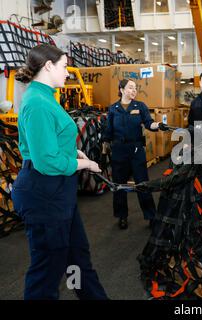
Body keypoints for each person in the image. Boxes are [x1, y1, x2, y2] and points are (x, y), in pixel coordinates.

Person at [11, 43, 108, 300]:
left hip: (58, 191)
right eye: (65, 67)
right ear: (49, 66)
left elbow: (50, 141)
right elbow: (45, 161)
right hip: (43, 192)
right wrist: (85, 164)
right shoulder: (38, 102)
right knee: (47, 271)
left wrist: (74, 153)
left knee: (77, 257)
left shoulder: (45, 96)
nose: (68, 73)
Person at [102, 79, 169, 230]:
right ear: (122, 89)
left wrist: (157, 125)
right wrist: (104, 150)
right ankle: (122, 216)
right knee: (119, 185)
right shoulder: (113, 108)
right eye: (130, 88)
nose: (134, 91)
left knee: (143, 184)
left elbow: (149, 123)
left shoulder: (140, 106)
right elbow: (108, 132)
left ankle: (151, 215)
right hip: (119, 151)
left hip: (136, 150)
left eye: (135, 88)